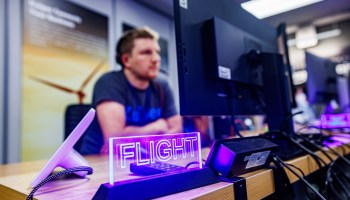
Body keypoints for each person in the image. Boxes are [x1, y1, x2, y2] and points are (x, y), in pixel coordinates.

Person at [79, 27, 182, 154]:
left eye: (157, 52)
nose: (156, 59)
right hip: (97, 163)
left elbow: (177, 130)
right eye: (146, 52)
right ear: (126, 60)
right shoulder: (109, 82)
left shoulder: (162, 85)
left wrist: (131, 135)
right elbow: (115, 140)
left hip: (143, 158)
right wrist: (156, 127)